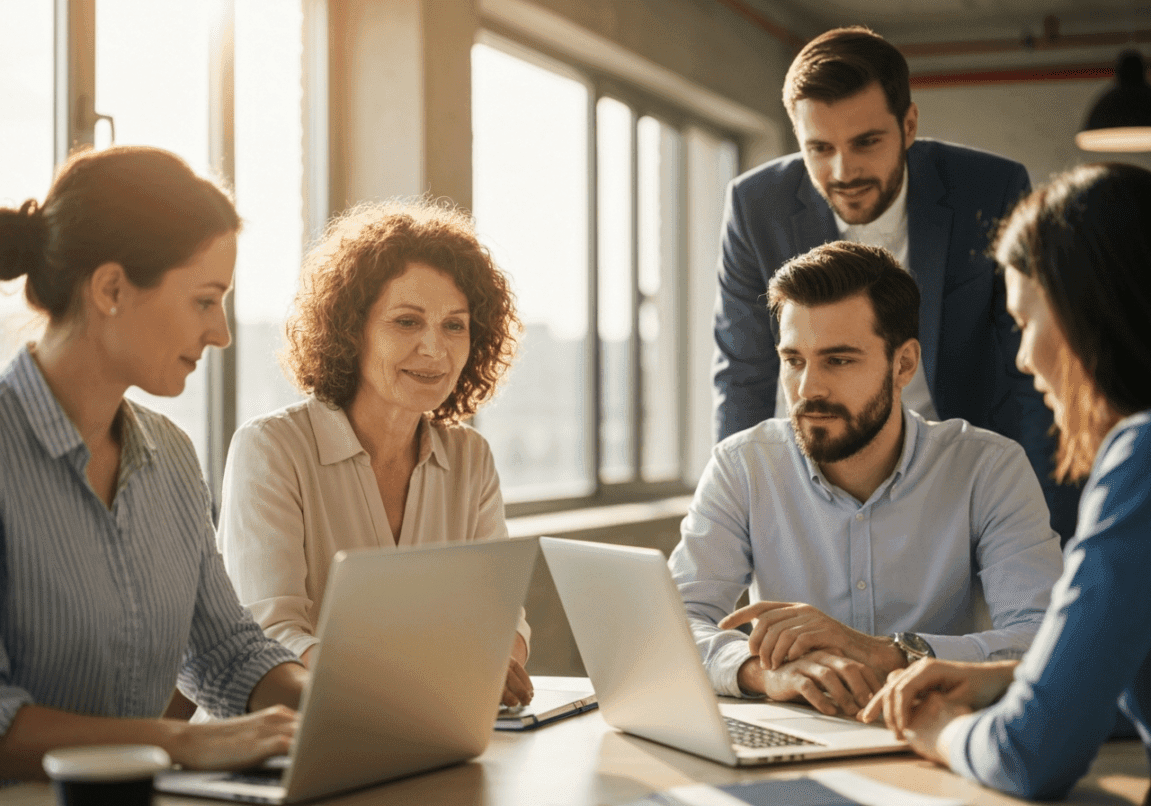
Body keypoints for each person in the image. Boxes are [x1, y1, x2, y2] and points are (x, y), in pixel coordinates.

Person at [0, 146, 307, 780]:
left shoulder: (169, 456)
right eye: (204, 300)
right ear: (111, 288)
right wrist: (181, 743)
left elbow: (226, 652)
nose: (221, 333)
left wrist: (352, 710)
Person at [712, 26, 1078, 543]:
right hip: (821, 475)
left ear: (908, 126)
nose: (843, 170)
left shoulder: (991, 189)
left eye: (866, 142)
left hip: (962, 471)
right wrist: (734, 514)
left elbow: (1030, 370)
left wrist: (1044, 521)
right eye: (819, 148)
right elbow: (742, 372)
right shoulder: (755, 206)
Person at [671, 240, 1063, 717]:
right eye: (794, 361)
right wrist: (763, 674)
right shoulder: (742, 465)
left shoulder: (988, 468)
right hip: (797, 736)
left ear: (903, 364)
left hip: (939, 736)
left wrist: (885, 652)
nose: (808, 389)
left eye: (839, 360)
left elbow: (1044, 640)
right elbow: (673, 625)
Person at [859, 163, 1151, 801]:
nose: (1022, 358)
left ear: (1086, 312)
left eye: (1026, 321)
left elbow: (1028, 754)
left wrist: (938, 730)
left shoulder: (1143, 457)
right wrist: (1007, 679)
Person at [216, 199, 533, 708]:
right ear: (350, 329)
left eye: (455, 325)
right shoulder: (271, 448)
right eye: (407, 322)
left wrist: (496, 660)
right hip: (285, 735)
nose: (435, 349)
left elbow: (503, 622)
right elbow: (271, 635)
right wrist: (421, 680)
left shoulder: (471, 459)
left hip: (426, 727)